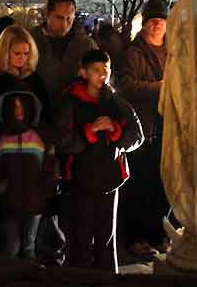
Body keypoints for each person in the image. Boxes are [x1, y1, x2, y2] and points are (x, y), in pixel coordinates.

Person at [56, 50, 143, 273]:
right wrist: (90, 132)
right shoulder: (71, 102)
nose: (102, 76)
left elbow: (137, 136)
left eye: (106, 71)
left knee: (107, 236)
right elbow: (63, 141)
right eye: (96, 71)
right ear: (83, 72)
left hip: (110, 177)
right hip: (80, 178)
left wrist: (115, 131)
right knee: (81, 235)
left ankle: (108, 275)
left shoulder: (116, 103)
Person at [30, 0, 97, 265]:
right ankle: (43, 248)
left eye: (70, 18)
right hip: (38, 123)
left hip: (73, 127)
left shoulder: (83, 44)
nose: (65, 23)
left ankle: (68, 250)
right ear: (47, 14)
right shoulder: (32, 40)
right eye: (59, 18)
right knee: (42, 189)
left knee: (70, 191)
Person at [0, 25, 49, 252]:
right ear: (5, 52)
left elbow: (44, 116)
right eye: (17, 54)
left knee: (26, 234)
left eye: (26, 54)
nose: (22, 59)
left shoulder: (34, 80)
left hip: (28, 159)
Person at [118, 0, 169, 256]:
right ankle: (135, 237)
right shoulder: (134, 52)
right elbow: (126, 85)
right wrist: (159, 88)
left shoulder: (174, 50)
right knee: (139, 184)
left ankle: (158, 233)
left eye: (161, 20)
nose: (157, 25)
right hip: (142, 128)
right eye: (152, 20)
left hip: (166, 127)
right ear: (145, 23)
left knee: (162, 184)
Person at [0, 91, 57, 260]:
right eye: (14, 107)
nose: (18, 111)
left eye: (22, 106)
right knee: (11, 247)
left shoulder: (39, 138)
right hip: (9, 203)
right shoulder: (2, 141)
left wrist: (47, 188)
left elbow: (49, 166)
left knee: (29, 246)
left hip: (34, 202)